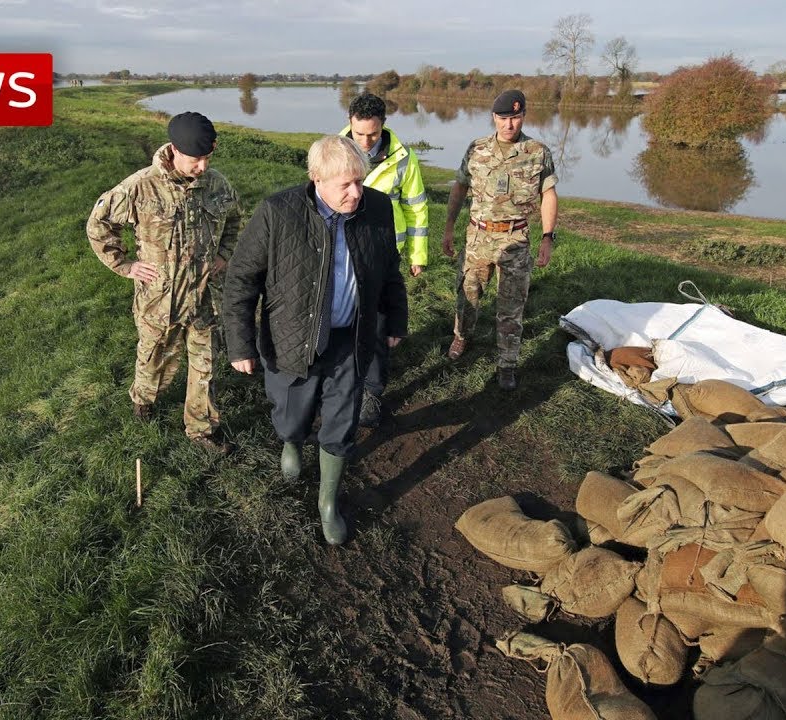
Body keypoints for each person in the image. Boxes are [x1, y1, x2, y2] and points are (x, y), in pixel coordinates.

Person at [222, 135, 408, 546]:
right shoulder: (277, 213)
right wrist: (240, 344)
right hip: (292, 339)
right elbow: (240, 281)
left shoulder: (376, 208)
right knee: (292, 414)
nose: (356, 193)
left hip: (351, 338)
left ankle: (328, 503)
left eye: (359, 181)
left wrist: (395, 318)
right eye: (345, 185)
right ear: (316, 179)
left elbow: (390, 271)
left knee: (342, 423)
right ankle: (291, 441)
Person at [87, 111, 241, 452]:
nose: (202, 167)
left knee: (206, 366)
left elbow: (233, 220)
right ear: (173, 150)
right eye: (195, 159)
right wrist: (125, 266)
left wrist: (224, 255)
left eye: (207, 158)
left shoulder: (217, 184)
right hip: (160, 300)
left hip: (204, 297)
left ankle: (201, 430)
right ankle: (143, 400)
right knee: (156, 357)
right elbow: (98, 225)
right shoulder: (139, 186)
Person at [442, 89, 558, 392]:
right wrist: (449, 227)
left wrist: (547, 237)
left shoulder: (538, 152)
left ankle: (507, 364)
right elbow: (459, 188)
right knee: (468, 296)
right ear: (494, 117)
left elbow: (548, 194)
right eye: (504, 118)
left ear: (523, 116)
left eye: (516, 117)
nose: (510, 124)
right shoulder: (476, 149)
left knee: (511, 306)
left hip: (515, 238)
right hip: (478, 236)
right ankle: (461, 337)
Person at [339, 92, 429, 428]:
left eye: (372, 134)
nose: (365, 141)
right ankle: (340, 383)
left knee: (376, 324)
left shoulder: (404, 159)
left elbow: (416, 208)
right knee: (341, 320)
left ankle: (372, 392)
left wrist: (418, 255)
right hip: (341, 252)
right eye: (359, 133)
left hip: (382, 254)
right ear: (350, 122)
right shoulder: (333, 151)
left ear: (383, 126)